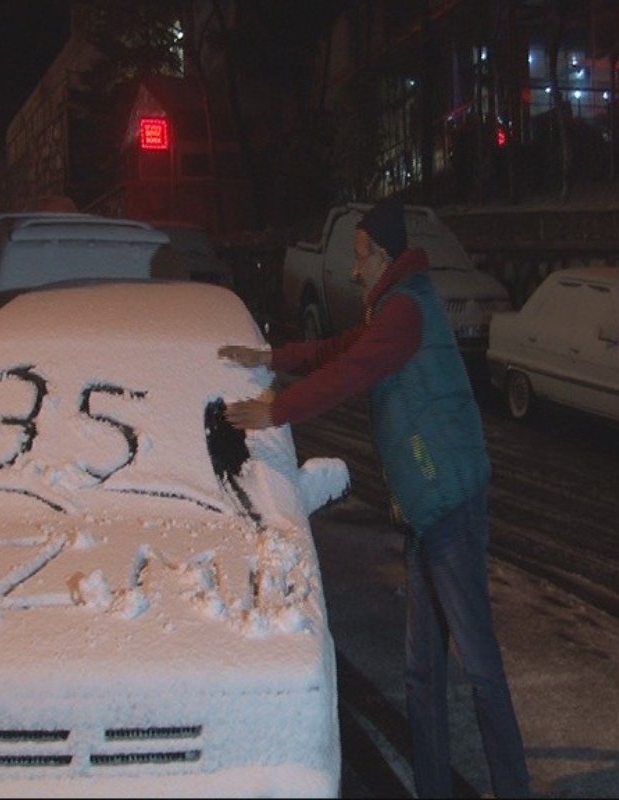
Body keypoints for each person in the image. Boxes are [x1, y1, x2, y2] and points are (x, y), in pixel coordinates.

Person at [217, 198, 530, 799]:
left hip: (448, 501)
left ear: (383, 255)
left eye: (360, 257)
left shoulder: (406, 312)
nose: (354, 269)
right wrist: (270, 359)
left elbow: (351, 371)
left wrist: (277, 407)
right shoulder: (394, 308)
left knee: (480, 666)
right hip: (425, 505)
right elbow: (336, 350)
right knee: (422, 669)